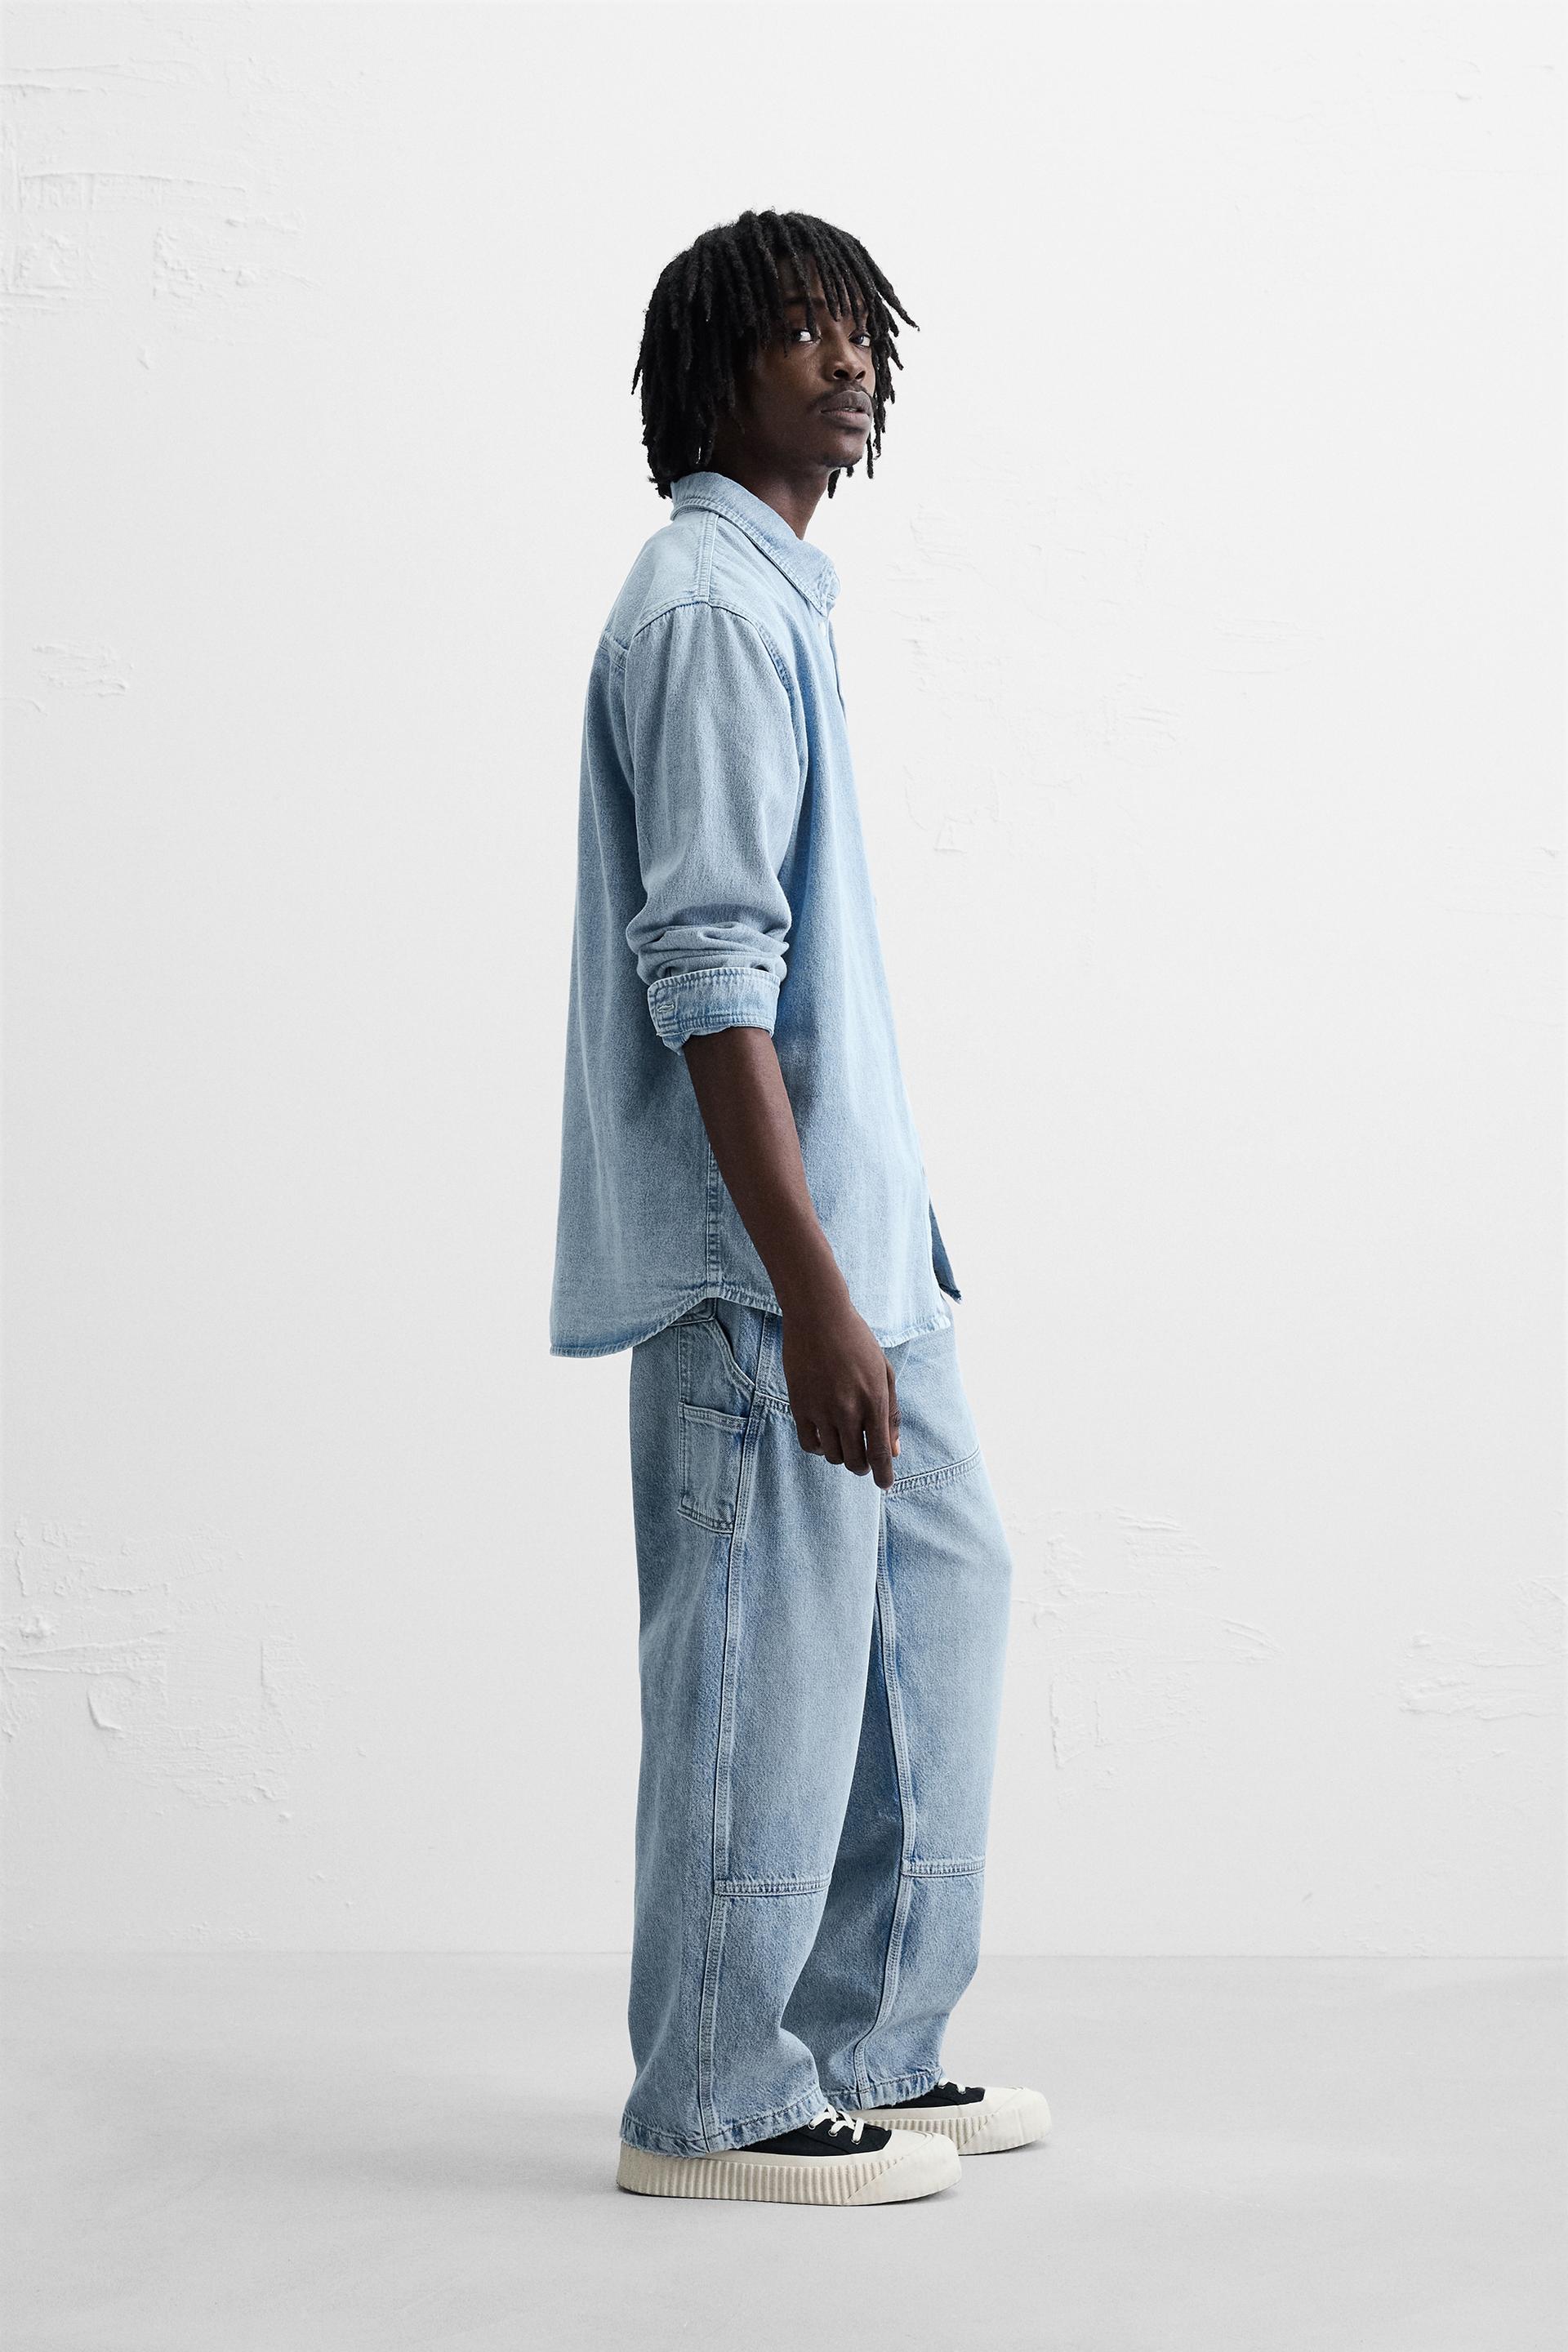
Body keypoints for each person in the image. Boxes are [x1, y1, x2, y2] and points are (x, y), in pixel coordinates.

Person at [549, 208, 1048, 2207]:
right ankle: (711, 2097)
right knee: (758, 1666)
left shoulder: (775, 600)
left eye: (858, 330)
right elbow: (711, 978)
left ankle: (866, 2046)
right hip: (771, 1274)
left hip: (862, 1250)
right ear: (713, 371)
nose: (844, 360)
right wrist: (813, 1292)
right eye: (798, 331)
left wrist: (881, 1261)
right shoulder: (704, 612)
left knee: (940, 1604)